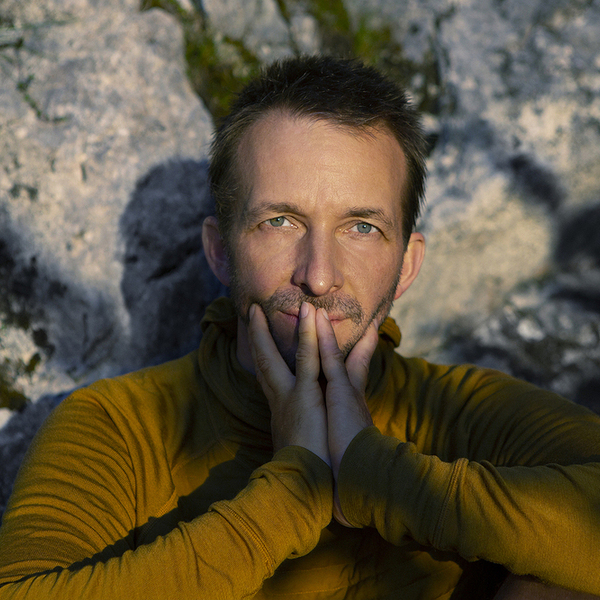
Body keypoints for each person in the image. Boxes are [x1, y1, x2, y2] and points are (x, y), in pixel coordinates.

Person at [0, 55, 599, 600]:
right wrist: (293, 492)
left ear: (407, 264)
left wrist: (377, 473)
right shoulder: (122, 427)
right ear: (219, 250)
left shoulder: (457, 414)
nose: (318, 276)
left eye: (361, 227)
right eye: (280, 221)